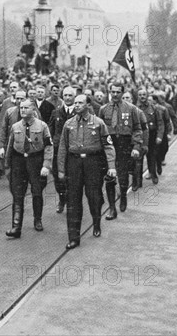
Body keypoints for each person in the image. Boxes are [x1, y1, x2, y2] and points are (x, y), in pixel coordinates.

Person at [58, 95, 116, 250]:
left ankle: (96, 221)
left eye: (80, 103)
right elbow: (63, 148)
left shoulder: (98, 123)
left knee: (94, 196)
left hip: (93, 163)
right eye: (75, 103)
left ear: (88, 105)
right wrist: (61, 170)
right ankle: (74, 237)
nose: (76, 105)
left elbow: (108, 145)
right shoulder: (68, 124)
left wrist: (111, 166)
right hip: (74, 163)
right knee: (73, 200)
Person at [5, 100, 53, 238]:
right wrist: (7, 165)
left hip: (35, 160)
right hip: (19, 160)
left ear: (33, 110)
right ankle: (16, 226)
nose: (23, 110)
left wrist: (46, 165)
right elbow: (10, 146)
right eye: (21, 108)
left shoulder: (42, 126)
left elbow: (49, 146)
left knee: (37, 191)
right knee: (17, 193)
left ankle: (37, 219)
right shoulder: (15, 126)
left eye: (26, 108)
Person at [98, 82, 142, 219]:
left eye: (118, 92)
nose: (115, 94)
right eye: (113, 92)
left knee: (123, 177)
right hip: (109, 145)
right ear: (109, 92)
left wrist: (136, 146)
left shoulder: (131, 109)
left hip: (124, 145)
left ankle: (123, 195)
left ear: (123, 93)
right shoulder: (103, 109)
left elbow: (137, 129)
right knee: (110, 176)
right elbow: (99, 130)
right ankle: (112, 208)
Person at [48, 86, 76, 213]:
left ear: (74, 97)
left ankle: (71, 202)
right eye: (65, 95)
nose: (68, 98)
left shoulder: (79, 112)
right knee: (58, 177)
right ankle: (61, 198)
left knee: (73, 177)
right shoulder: (57, 112)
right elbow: (50, 131)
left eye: (70, 95)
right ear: (62, 96)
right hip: (58, 150)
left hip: (74, 151)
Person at [136, 89, 164, 185]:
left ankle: (153, 174)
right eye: (140, 95)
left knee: (151, 157)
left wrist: (159, 136)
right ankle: (138, 181)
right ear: (137, 96)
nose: (142, 96)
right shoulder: (134, 108)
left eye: (144, 94)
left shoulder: (153, 108)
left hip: (151, 135)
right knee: (138, 159)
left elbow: (160, 123)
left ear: (147, 95)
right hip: (139, 136)